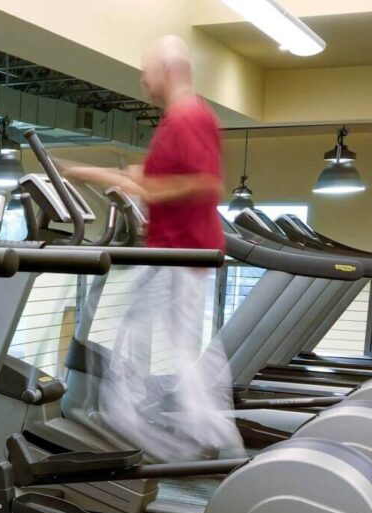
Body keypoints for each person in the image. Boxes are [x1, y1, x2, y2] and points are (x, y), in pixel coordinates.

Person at [59, 35, 241, 461]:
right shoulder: (181, 119)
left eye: (146, 71)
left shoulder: (187, 117)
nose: (142, 80)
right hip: (175, 250)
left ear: (168, 71)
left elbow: (203, 183)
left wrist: (126, 182)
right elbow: (167, 178)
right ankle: (207, 439)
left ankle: (152, 430)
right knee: (168, 344)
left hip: (178, 253)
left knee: (142, 340)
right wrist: (114, 175)